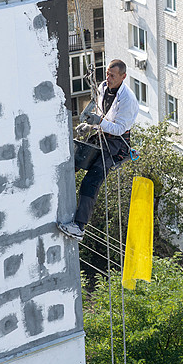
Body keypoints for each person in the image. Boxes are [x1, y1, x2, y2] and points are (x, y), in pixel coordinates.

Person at [58, 59, 138, 240]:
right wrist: (90, 126)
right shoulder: (103, 87)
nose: (108, 78)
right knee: (74, 163)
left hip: (116, 145)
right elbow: (103, 113)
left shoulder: (127, 100)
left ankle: (79, 227)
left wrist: (98, 122)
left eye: (112, 76)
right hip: (101, 135)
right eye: (107, 74)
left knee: (91, 181)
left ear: (123, 77)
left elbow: (118, 128)